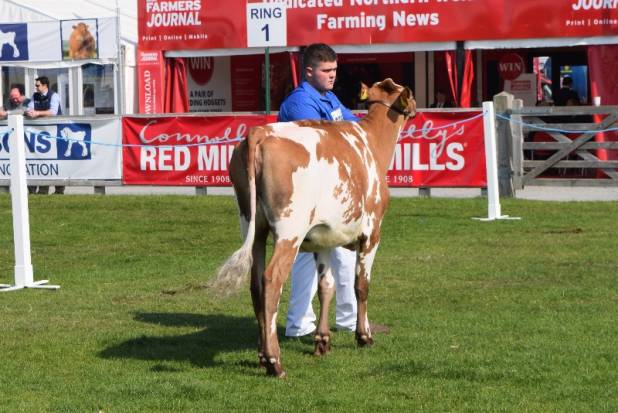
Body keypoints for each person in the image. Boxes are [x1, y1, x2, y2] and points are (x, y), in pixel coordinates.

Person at [278, 43, 359, 337]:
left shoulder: (330, 97)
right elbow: (325, 141)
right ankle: (299, 325)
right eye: (326, 70)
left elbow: (354, 126)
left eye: (335, 70)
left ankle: (346, 321)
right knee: (306, 261)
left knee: (341, 255)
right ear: (309, 71)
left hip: (328, 192)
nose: (332, 75)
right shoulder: (300, 102)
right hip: (304, 195)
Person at [25, 76, 64, 195]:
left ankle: (59, 190)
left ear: (45, 85)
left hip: (54, 132)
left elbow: (53, 112)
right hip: (40, 133)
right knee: (38, 159)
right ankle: (39, 190)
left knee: (56, 161)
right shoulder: (34, 96)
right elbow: (30, 108)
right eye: (36, 85)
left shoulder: (54, 96)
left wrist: (37, 113)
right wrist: (29, 112)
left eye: (38, 85)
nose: (36, 87)